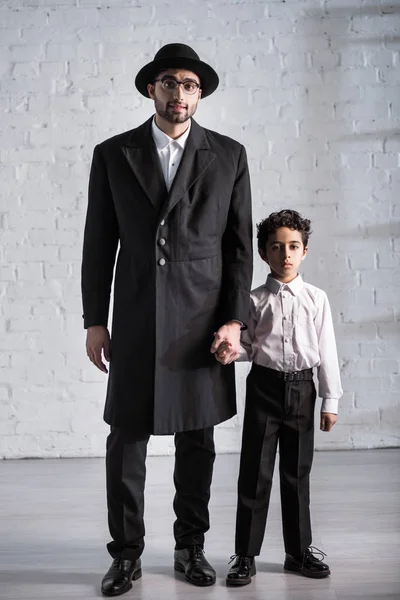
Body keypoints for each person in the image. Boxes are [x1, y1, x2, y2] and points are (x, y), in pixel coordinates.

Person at [81, 43, 253, 596]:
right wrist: (94, 319)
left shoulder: (229, 155)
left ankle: (190, 547)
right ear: (150, 89)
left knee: (197, 441)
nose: (180, 93)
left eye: (190, 85)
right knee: (125, 439)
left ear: (199, 94)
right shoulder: (113, 153)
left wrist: (235, 321)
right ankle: (126, 555)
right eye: (169, 83)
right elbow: (97, 243)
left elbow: (238, 249)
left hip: (202, 321)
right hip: (133, 317)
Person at [217, 209, 342, 586]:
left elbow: (327, 350)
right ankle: (245, 555)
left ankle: (298, 551)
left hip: (304, 390)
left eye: (293, 246)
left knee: (297, 473)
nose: (285, 254)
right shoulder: (253, 301)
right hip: (265, 388)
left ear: (304, 251)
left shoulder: (317, 299)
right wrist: (228, 351)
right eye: (276, 247)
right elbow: (249, 346)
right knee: (255, 473)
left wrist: (330, 400)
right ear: (262, 253)